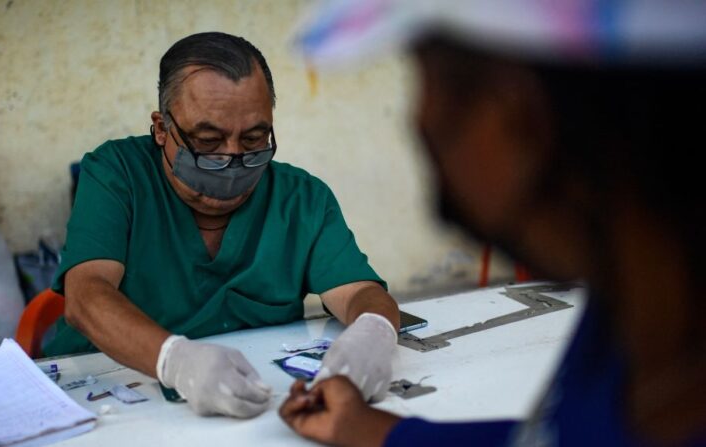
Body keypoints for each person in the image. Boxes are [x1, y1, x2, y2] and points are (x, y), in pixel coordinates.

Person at [281, 1, 706, 446]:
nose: (419, 120)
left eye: (425, 80)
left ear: (516, 114)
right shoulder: (632, 318)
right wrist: (376, 430)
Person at [45, 32, 400, 419]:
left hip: (257, 407)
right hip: (108, 398)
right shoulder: (117, 175)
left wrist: (374, 332)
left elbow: (359, 291)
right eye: (208, 141)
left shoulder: (300, 199)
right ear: (162, 128)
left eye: (253, 139)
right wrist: (175, 361)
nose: (232, 159)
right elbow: (86, 297)